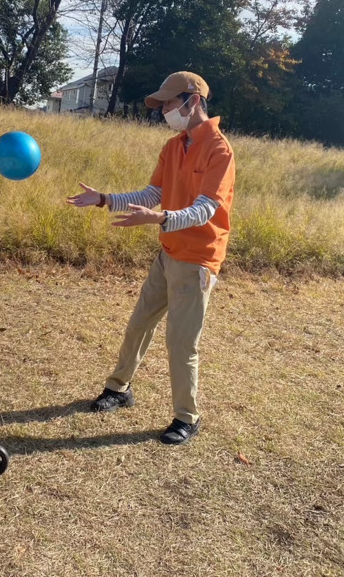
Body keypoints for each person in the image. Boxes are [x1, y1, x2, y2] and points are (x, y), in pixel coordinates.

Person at [66, 71, 235, 445]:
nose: (164, 111)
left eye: (170, 103)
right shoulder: (173, 147)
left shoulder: (219, 150)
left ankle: (187, 417)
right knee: (139, 323)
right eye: (162, 105)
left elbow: (205, 210)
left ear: (193, 101)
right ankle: (119, 389)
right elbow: (151, 194)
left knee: (181, 342)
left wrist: (159, 219)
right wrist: (105, 199)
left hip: (198, 260)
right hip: (168, 253)